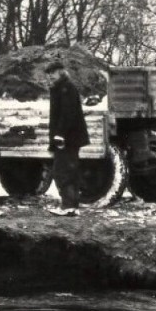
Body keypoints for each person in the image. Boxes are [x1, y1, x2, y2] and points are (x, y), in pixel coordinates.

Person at [47, 62, 89, 216]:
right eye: (49, 72)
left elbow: (67, 114)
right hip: (69, 137)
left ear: (62, 72)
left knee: (62, 171)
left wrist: (59, 135)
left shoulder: (65, 89)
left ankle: (68, 206)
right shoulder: (63, 88)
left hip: (66, 138)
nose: (50, 75)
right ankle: (72, 206)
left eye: (53, 72)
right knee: (69, 170)